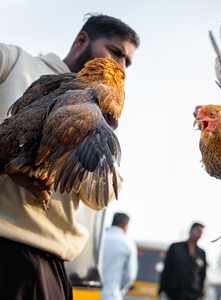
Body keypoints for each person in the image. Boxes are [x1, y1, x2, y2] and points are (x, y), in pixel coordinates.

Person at [0, 14, 139, 299]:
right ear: (81, 41)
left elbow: (101, 196)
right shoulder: (15, 61)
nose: (121, 66)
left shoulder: (99, 109)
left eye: (128, 61)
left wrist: (88, 137)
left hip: (48, 262)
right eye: (115, 52)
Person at [159, 222, 207, 300]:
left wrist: (200, 294)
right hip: (172, 294)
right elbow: (166, 269)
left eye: (201, 233)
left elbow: (202, 275)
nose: (199, 235)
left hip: (191, 295)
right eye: (198, 231)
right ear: (191, 231)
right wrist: (161, 290)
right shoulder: (175, 248)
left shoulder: (201, 253)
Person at [100, 212, 138, 300]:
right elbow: (130, 275)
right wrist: (119, 291)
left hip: (89, 292)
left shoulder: (100, 238)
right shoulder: (128, 244)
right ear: (125, 225)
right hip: (111, 295)